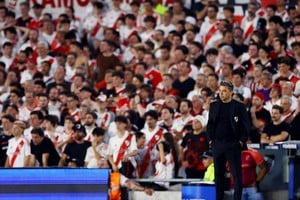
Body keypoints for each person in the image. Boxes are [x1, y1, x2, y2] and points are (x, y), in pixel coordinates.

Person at [207, 80, 250, 200]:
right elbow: (210, 124)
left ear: (231, 92)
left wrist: (241, 141)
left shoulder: (239, 106)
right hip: (218, 144)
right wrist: (210, 140)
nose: (221, 93)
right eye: (220, 91)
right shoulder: (214, 105)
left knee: (236, 175)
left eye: (224, 91)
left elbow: (246, 125)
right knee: (218, 175)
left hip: (233, 145)